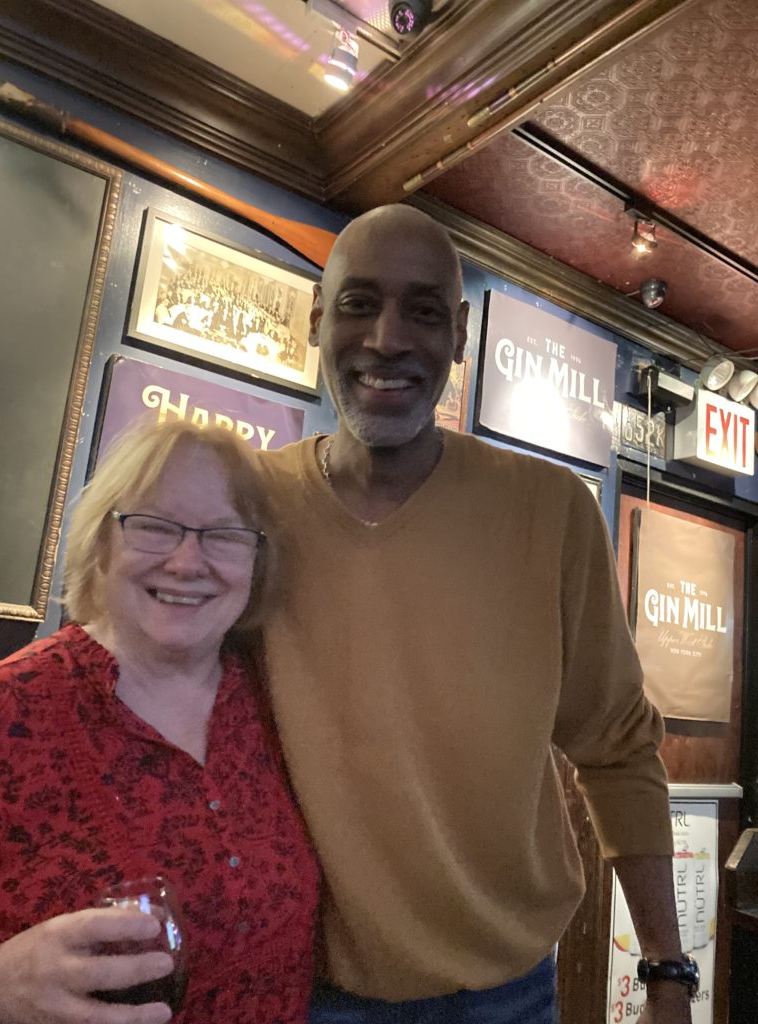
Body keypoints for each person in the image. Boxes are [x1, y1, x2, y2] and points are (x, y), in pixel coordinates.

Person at [256, 204, 693, 1024]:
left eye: (423, 312)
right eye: (358, 303)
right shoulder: (249, 506)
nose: (387, 338)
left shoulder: (550, 511)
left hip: (507, 994)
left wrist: (668, 971)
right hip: (299, 989)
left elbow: (618, 747)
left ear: (459, 335)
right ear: (316, 318)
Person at [0, 420, 319, 1024]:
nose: (187, 562)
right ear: (102, 543)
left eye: (224, 535)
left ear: (257, 561)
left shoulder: (276, 704)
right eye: (154, 526)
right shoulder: (6, 708)